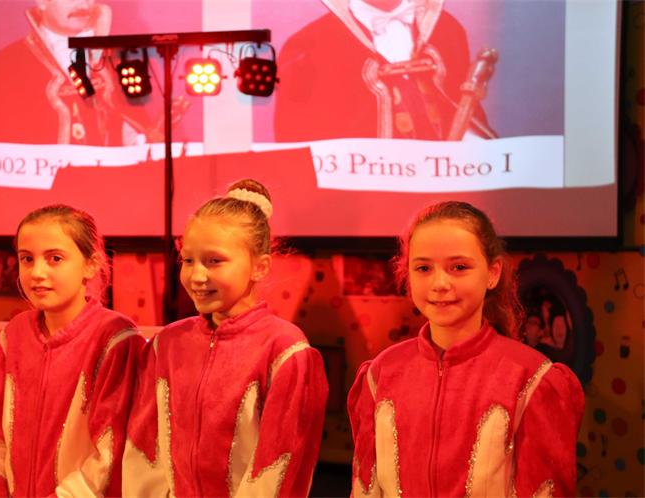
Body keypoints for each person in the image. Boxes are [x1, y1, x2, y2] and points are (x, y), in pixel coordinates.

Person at [347, 201, 584, 497]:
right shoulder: (381, 373)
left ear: (492, 273)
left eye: (459, 267)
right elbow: (366, 487)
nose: (439, 283)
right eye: (423, 268)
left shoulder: (532, 379)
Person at [123, 179, 329, 497]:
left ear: (259, 267)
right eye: (188, 260)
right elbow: (144, 448)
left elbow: (279, 468)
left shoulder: (285, 351)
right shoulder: (168, 345)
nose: (197, 276)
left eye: (214, 261)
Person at [0, 204, 146, 497]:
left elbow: (113, 452)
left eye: (55, 258)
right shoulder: (11, 338)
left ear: (91, 264)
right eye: (27, 259)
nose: (37, 272)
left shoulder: (114, 341)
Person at [274, 0, 494, 141]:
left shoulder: (447, 30)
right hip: (362, 196)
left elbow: (467, 114)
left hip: (447, 190)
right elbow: (299, 144)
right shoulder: (311, 45)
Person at [0, 0, 154, 145]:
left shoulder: (118, 59)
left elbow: (138, 125)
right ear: (42, 2)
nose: (83, 5)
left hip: (113, 180)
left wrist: (135, 136)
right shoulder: (4, 68)